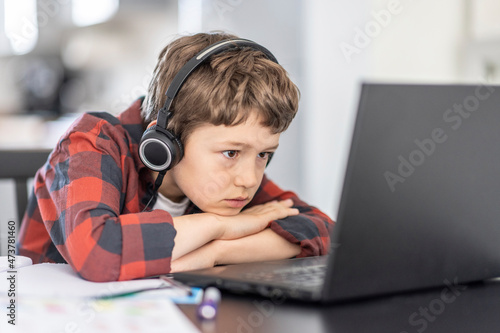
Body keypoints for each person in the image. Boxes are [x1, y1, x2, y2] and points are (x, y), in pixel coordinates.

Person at [17, 32, 334, 282]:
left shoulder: (226, 182)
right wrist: (217, 225)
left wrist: (215, 250)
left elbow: (328, 233)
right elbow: (98, 252)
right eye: (230, 152)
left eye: (264, 154)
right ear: (167, 142)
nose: (250, 178)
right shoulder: (92, 142)